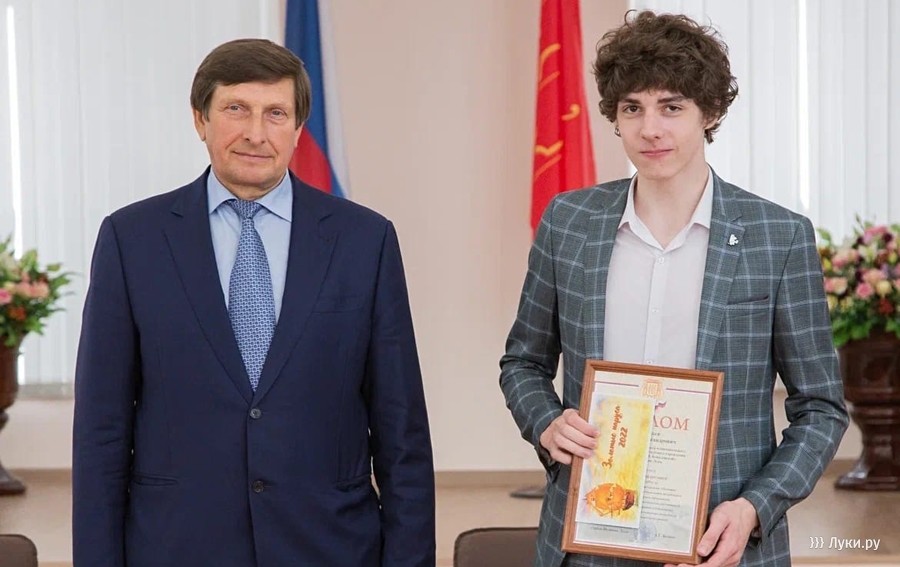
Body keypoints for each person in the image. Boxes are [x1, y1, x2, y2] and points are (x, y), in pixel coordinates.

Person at [500, 11, 848, 567]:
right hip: (587, 534)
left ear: (709, 112)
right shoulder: (568, 222)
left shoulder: (778, 237)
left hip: (721, 540)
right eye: (632, 108)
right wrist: (546, 422)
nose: (650, 129)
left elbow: (821, 407)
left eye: (671, 107)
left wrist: (755, 507)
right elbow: (523, 362)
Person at [72, 38, 435, 567]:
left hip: (330, 546)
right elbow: (100, 431)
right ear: (200, 119)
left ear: (298, 128)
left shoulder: (365, 240)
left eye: (276, 114)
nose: (255, 133)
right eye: (236, 109)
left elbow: (402, 430)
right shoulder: (132, 240)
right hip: (177, 547)